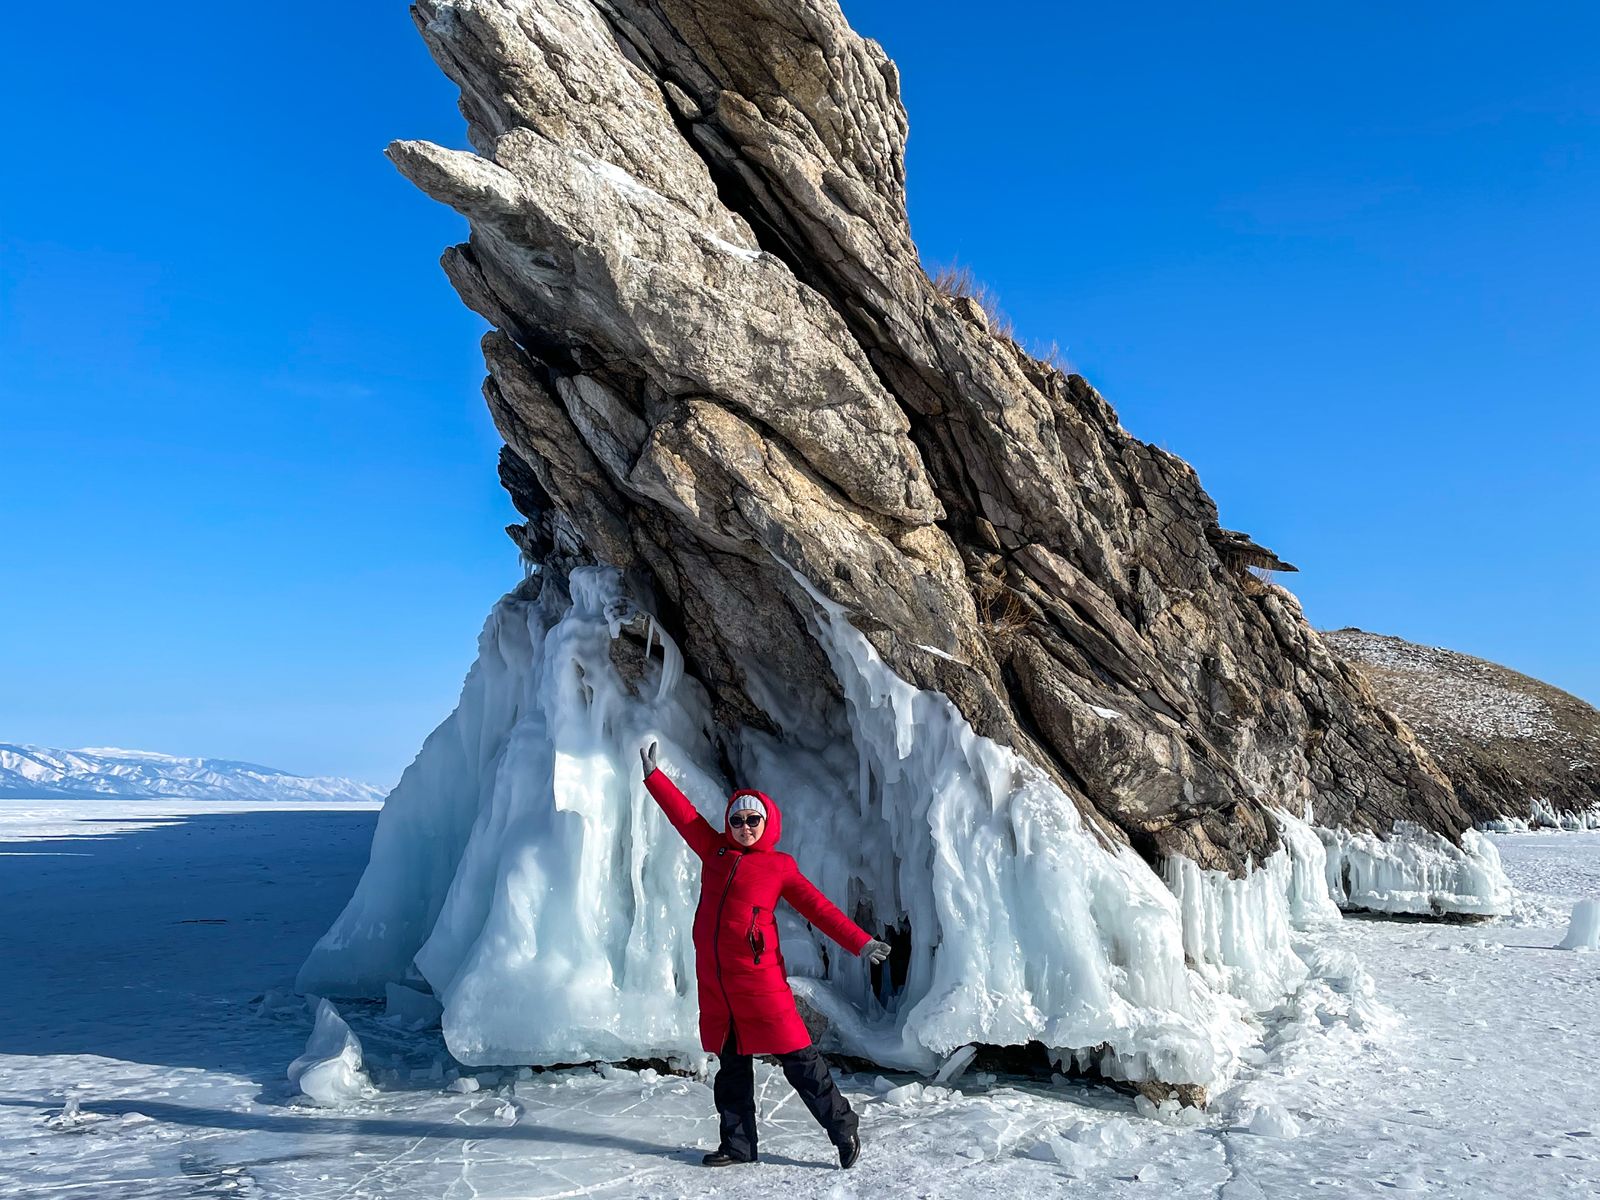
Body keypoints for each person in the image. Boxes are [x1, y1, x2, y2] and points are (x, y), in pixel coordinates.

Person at [639, 740, 891, 1169]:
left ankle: (843, 1126)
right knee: (731, 1072)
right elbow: (685, 817)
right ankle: (737, 1146)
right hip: (720, 986)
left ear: (767, 822)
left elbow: (819, 909)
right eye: (737, 820)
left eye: (753, 819)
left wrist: (860, 942)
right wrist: (654, 777)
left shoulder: (779, 866)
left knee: (801, 1062)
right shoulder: (715, 851)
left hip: (761, 983)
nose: (745, 827)